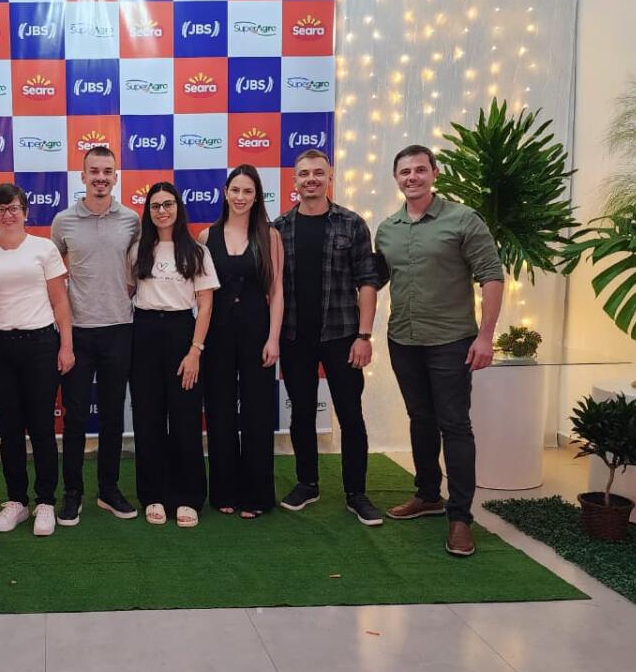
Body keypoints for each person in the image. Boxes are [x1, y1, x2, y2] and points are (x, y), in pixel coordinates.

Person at [375, 144, 504, 557]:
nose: (412, 177)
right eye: (404, 172)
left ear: (434, 173)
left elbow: (491, 276)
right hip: (403, 339)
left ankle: (460, 517)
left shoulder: (463, 219)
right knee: (420, 419)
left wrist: (485, 336)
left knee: (455, 425)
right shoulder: (388, 228)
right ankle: (428, 494)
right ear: (396, 178)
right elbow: (374, 279)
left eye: (419, 170)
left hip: (451, 341)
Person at [273, 149, 384, 525]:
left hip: (343, 336)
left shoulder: (352, 224)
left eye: (318, 173)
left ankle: (357, 493)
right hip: (294, 338)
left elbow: (367, 282)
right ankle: (307, 483)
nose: (311, 179)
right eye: (304, 174)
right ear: (294, 180)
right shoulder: (279, 228)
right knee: (301, 413)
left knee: (351, 414)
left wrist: (364, 335)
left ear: (330, 177)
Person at [0, 184, 76, 537]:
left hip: (39, 344)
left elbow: (60, 301)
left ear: (25, 212)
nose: (8, 214)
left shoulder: (43, 248)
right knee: (9, 427)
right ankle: (17, 500)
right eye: (1, 209)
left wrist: (66, 346)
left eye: (14, 208)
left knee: (41, 426)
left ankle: (45, 500)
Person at [50, 146, 141, 524]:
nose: (100, 178)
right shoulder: (63, 221)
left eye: (107, 171)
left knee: (112, 416)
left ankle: (108, 489)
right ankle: (72, 492)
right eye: (94, 171)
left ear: (115, 176)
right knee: (74, 418)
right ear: (83, 175)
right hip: (78, 332)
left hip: (120, 329)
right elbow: (52, 273)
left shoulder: (132, 220)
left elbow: (138, 267)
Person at [129, 182, 219, 527]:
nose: (162, 211)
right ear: (148, 211)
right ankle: (153, 494)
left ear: (178, 208)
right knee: (148, 419)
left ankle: (188, 497)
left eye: (168, 204)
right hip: (144, 334)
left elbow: (206, 304)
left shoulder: (196, 251)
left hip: (183, 334)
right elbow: (128, 291)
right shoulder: (138, 250)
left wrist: (195, 351)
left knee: (185, 419)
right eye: (155, 206)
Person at [198, 165, 283, 518]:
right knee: (219, 412)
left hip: (257, 331)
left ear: (257, 195)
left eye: (248, 191)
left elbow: (276, 291)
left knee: (257, 412)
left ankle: (256, 495)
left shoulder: (270, 236)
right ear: (225, 192)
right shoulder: (206, 236)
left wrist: (273, 338)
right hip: (216, 333)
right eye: (235, 190)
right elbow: (201, 294)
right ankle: (224, 492)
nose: (240, 197)